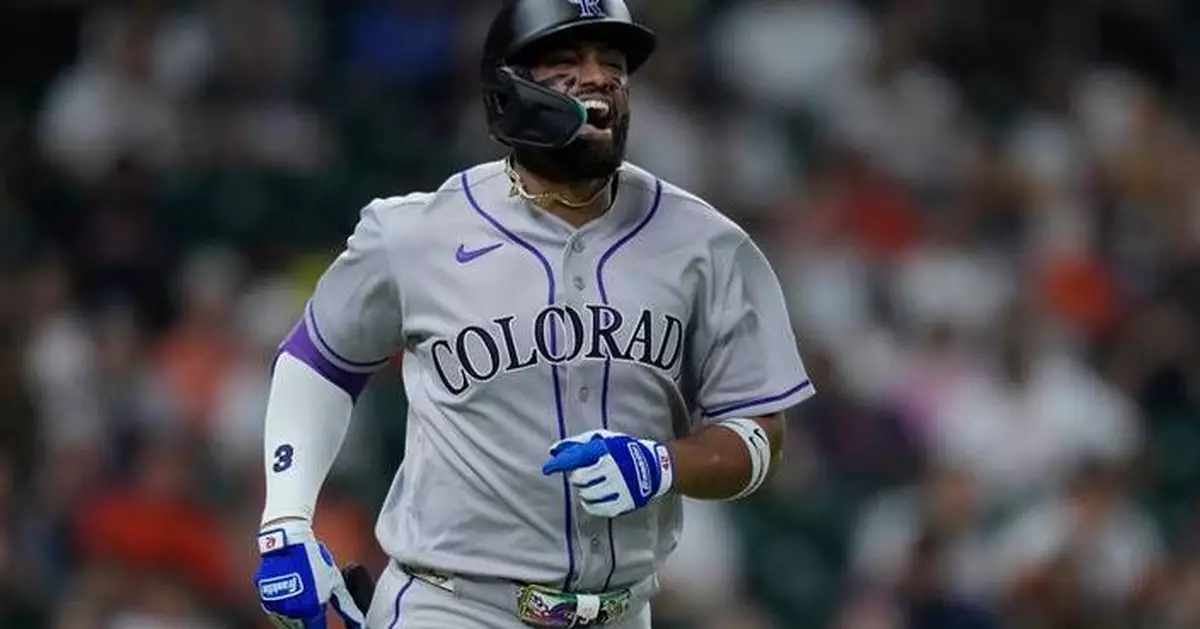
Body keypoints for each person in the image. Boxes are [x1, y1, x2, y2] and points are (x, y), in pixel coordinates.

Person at [251, 1, 814, 627]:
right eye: (565, 62)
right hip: (453, 604)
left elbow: (761, 435)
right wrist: (286, 520)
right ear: (506, 91)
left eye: (613, 63)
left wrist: (662, 464)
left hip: (621, 611)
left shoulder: (707, 244)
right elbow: (320, 361)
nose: (598, 77)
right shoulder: (414, 234)